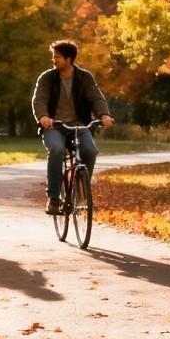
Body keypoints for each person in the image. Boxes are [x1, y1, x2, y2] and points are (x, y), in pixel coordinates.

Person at [32, 39, 114, 214]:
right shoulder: (47, 78)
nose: (54, 60)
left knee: (91, 151)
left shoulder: (85, 77)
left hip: (79, 126)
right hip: (54, 126)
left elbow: (95, 98)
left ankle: (81, 192)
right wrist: (43, 116)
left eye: (58, 57)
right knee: (57, 149)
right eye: (54, 56)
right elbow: (39, 99)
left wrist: (104, 115)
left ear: (69, 59)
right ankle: (53, 198)